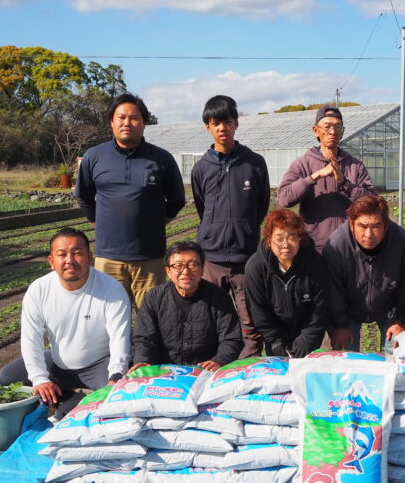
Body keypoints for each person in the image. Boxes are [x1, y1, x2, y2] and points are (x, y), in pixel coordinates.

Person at [0, 227, 131, 417]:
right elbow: (31, 339)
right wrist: (40, 378)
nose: (70, 260)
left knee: (119, 399)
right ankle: (68, 399)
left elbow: (120, 338)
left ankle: (87, 402)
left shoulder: (112, 290)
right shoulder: (39, 290)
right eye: (62, 254)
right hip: (57, 363)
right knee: (6, 379)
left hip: (99, 363)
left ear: (89, 258)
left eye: (77, 253)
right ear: (51, 261)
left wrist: (115, 376)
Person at [74, 93, 185, 309]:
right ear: (111, 121)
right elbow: (84, 196)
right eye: (121, 117)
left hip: (150, 258)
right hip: (109, 258)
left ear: (144, 123)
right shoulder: (94, 156)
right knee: (109, 317)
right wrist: (97, 221)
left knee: (150, 317)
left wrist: (156, 222)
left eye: (134, 118)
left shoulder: (161, 158)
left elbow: (176, 200)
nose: (127, 123)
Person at [190, 94, 269, 357]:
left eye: (227, 122)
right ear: (208, 127)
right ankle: (215, 365)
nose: (222, 128)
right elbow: (202, 207)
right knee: (210, 316)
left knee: (250, 320)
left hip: (246, 257)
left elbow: (261, 206)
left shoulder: (254, 163)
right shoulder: (201, 168)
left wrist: (245, 230)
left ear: (236, 123)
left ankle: (249, 365)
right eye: (215, 123)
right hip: (211, 258)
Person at [132, 241, 244, 372]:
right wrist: (143, 361)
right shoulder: (154, 298)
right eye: (178, 266)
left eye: (193, 265)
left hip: (206, 371)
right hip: (164, 372)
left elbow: (231, 338)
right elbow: (144, 339)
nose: (186, 271)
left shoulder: (219, 297)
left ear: (202, 268)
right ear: (168, 271)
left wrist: (219, 361)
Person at [276, 105, 375, 251]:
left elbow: (373, 203)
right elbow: (284, 199)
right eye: (327, 126)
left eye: (337, 127)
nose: (333, 131)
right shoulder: (303, 164)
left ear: (343, 131)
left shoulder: (355, 165)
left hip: (349, 247)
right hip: (314, 248)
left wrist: (345, 183)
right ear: (315, 130)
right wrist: (314, 177)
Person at [323, 194, 405, 352]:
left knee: (397, 351)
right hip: (348, 309)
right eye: (362, 226)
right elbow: (334, 291)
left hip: (389, 307)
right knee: (347, 356)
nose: (368, 234)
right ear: (352, 225)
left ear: (386, 226)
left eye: (376, 226)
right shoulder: (336, 245)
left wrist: (402, 320)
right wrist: (339, 325)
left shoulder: (402, 241)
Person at [244, 208, 329, 357]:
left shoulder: (314, 262)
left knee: (306, 369)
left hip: (308, 332)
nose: (286, 244)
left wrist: (307, 337)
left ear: (299, 239)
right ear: (269, 241)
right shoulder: (255, 267)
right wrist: (275, 340)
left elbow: (320, 305)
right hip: (275, 334)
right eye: (279, 238)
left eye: (292, 237)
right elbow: (258, 309)